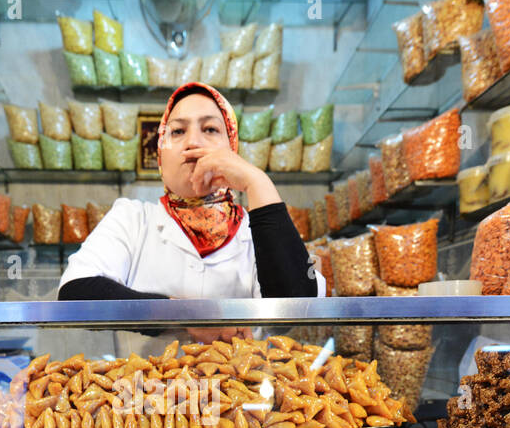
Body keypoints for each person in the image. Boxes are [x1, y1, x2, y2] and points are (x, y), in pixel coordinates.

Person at [58, 82, 324, 350]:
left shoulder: (260, 228)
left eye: (210, 129)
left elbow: (298, 303)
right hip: (141, 388)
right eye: (177, 131)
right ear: (161, 151)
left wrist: (257, 182)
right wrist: (182, 314)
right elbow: (75, 292)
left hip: (244, 389)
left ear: (232, 146)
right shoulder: (132, 218)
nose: (193, 142)